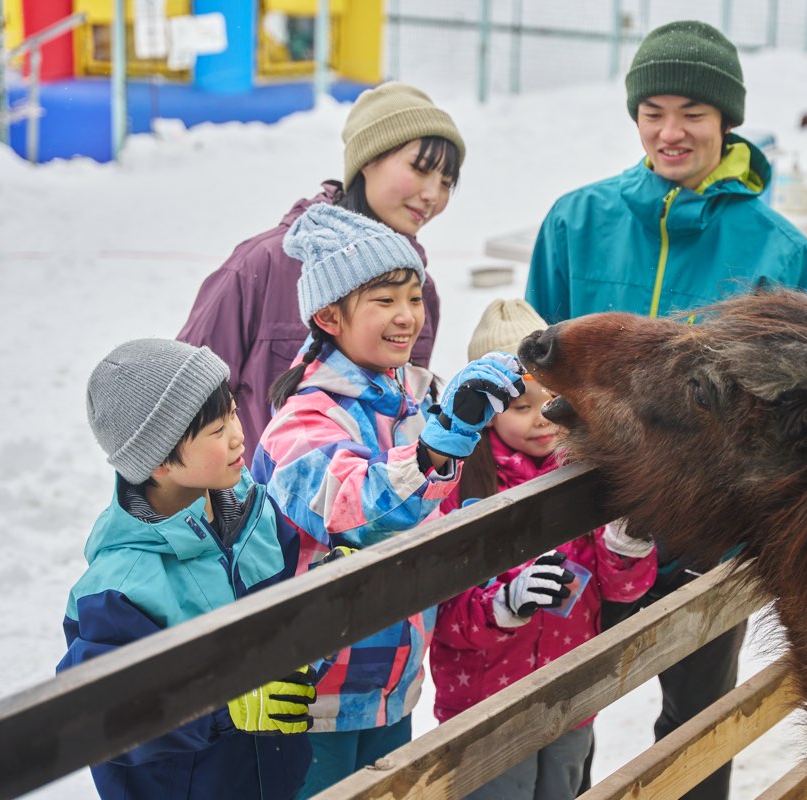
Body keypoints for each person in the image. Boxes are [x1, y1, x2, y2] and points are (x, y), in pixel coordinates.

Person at [524, 20, 807, 800]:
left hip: (706, 534)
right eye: (652, 110)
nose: (670, 131)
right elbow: (537, 367)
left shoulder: (777, 250)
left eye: (691, 111)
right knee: (561, 712)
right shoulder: (576, 221)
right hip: (582, 524)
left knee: (697, 723)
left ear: (726, 120)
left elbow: (788, 410)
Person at [251, 205, 526, 797]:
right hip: (316, 695)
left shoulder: (407, 400)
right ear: (329, 315)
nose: (407, 317)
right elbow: (360, 511)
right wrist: (439, 442)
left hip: (392, 681)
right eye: (384, 301)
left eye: (415, 297)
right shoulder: (302, 421)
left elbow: (434, 513)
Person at [58, 338, 317, 800]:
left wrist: (330, 596)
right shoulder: (121, 587)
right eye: (217, 431)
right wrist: (221, 708)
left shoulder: (257, 518)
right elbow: (98, 715)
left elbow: (285, 631)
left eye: (234, 413)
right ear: (158, 461)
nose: (239, 434)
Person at [429, 299, 658, 799]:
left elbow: (619, 589)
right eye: (519, 405)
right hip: (487, 705)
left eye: (549, 400)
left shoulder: (583, 470)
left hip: (569, 694)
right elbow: (442, 616)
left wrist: (627, 541)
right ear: (486, 407)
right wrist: (506, 605)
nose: (541, 419)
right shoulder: (459, 486)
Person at [179, 81, 466, 445]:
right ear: (367, 160)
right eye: (420, 169)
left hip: (374, 499)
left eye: (446, 182)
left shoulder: (421, 293)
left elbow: (406, 420)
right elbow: (183, 404)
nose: (432, 195)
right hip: (260, 500)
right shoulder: (266, 264)